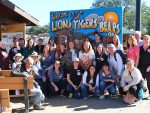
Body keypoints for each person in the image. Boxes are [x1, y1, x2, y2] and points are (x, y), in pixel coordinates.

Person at [138, 35, 150, 99]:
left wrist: (149, 67)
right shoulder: (139, 48)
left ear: (149, 40)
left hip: (149, 68)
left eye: (147, 39)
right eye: (144, 39)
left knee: (149, 80)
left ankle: (149, 94)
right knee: (140, 81)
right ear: (142, 40)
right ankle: (141, 94)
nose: (146, 40)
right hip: (141, 67)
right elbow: (137, 57)